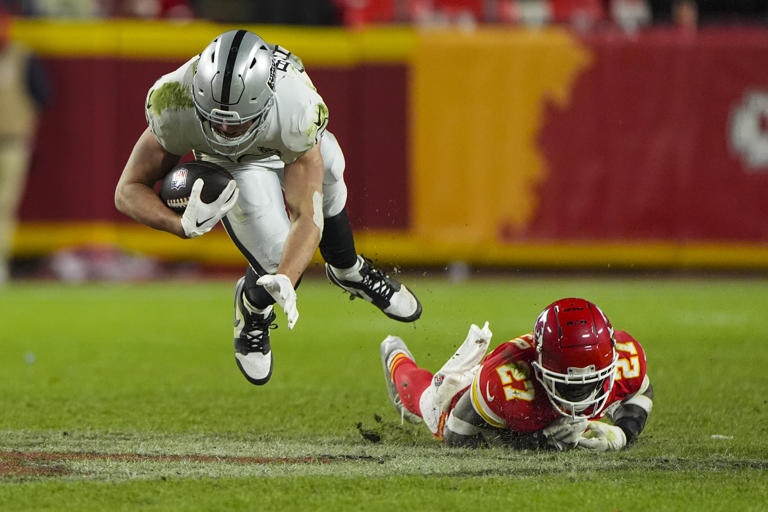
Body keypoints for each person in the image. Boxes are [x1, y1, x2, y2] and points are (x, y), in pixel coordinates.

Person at [115, 29, 421, 386]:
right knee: (276, 259)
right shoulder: (174, 99)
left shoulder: (296, 110)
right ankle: (252, 306)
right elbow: (127, 190)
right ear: (197, 97)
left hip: (279, 145)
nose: (226, 129)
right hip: (228, 167)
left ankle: (347, 268)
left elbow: (307, 216)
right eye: (215, 119)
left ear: (265, 99)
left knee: (331, 166)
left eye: (236, 121)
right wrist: (177, 225)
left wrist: (287, 281)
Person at [380, 297, 652, 451]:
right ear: (540, 366)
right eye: (568, 386)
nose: (578, 395)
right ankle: (394, 352)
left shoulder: (627, 356)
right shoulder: (506, 382)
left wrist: (624, 433)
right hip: (473, 398)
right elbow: (457, 436)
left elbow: (641, 392)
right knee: (427, 404)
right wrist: (537, 442)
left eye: (588, 383)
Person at [0, 7, 50, 285]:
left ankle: (0, 262)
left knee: (3, 206)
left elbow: (43, 96)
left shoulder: (22, 56)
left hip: (12, 143)